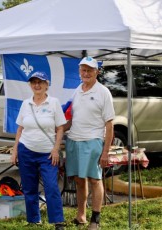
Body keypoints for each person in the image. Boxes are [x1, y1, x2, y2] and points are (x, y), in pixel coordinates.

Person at [64, 57, 115, 230]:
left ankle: (95, 220)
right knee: (79, 180)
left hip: (93, 141)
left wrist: (106, 151)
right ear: (79, 71)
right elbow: (72, 119)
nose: (86, 73)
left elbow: (109, 124)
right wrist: (57, 129)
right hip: (74, 140)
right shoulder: (77, 90)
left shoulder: (103, 92)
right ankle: (81, 216)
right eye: (83, 70)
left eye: (90, 70)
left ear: (97, 72)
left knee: (95, 179)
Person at [11, 71, 65, 230]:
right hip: (26, 150)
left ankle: (58, 221)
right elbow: (19, 129)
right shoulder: (25, 104)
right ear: (30, 85)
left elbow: (60, 128)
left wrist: (56, 149)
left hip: (48, 153)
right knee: (29, 187)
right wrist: (15, 151)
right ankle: (34, 219)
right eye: (33, 82)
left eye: (40, 82)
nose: (37, 85)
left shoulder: (54, 103)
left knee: (51, 186)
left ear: (47, 84)